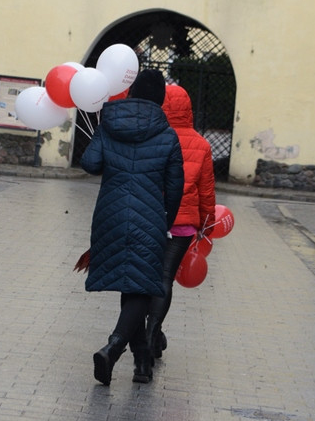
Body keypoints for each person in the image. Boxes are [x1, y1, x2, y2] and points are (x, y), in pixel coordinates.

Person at [80, 69, 184, 386]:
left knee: (132, 284)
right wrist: (164, 223)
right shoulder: (168, 135)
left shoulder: (108, 125)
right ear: (160, 101)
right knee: (142, 284)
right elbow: (175, 187)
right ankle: (113, 347)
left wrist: (101, 137)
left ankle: (142, 363)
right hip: (150, 217)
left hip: (109, 215)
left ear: (130, 91)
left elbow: (90, 163)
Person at [146, 83, 215, 375]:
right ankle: (153, 334)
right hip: (184, 226)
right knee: (165, 278)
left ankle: (149, 334)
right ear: (188, 109)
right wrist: (208, 224)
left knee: (144, 277)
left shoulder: (154, 137)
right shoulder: (202, 144)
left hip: (151, 219)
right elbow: (206, 191)